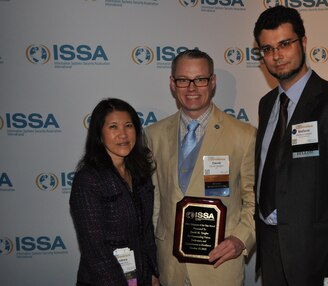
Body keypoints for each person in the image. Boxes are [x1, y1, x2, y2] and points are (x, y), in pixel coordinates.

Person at [253, 6, 328, 286]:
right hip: (272, 253)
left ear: (304, 42)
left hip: (319, 258)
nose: (277, 55)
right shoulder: (267, 104)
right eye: (268, 48)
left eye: (285, 44)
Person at [145, 49, 256, 286]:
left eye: (200, 79)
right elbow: (154, 202)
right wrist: (151, 263)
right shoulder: (153, 135)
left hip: (219, 267)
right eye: (183, 80)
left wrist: (241, 239)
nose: (192, 88)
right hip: (169, 268)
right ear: (172, 84)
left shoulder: (243, 136)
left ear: (212, 82)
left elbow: (254, 199)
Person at [70, 98, 159, 286]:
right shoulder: (88, 179)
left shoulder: (140, 173)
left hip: (141, 278)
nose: (123, 135)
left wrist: (152, 272)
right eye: (113, 127)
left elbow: (146, 232)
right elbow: (95, 250)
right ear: (99, 134)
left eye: (128, 126)